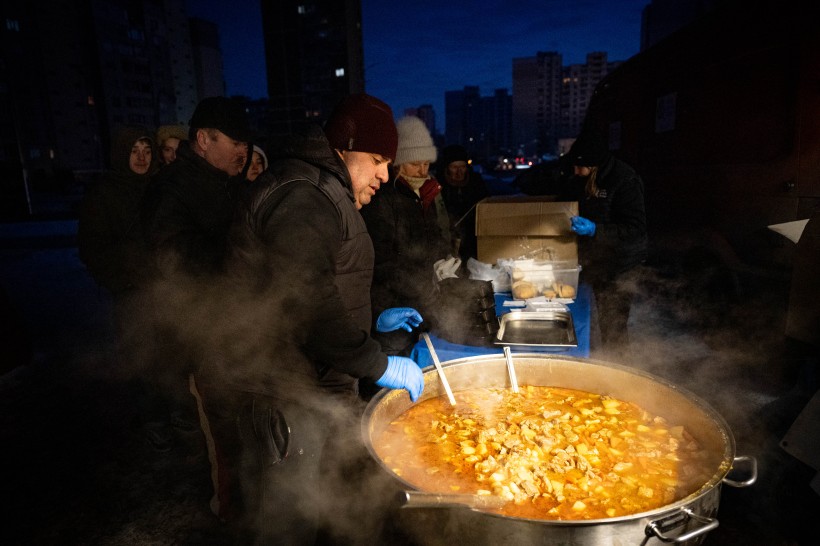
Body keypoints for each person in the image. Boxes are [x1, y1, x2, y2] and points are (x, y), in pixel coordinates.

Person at [198, 94, 425, 544]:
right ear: (345, 146)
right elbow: (304, 296)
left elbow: (328, 281)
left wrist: (372, 320)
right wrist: (377, 363)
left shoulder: (326, 190)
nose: (385, 173)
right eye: (378, 160)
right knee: (285, 523)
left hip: (309, 383)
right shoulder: (303, 194)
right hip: (282, 390)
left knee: (319, 512)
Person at [140, 98, 252, 454]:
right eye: (235, 143)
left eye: (246, 145)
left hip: (234, 322)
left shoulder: (226, 182)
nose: (244, 152)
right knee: (222, 431)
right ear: (204, 140)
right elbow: (169, 258)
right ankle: (229, 506)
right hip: (202, 329)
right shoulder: (172, 187)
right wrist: (237, 257)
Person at [77, 125, 179, 451]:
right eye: (134, 151)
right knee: (144, 359)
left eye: (147, 151)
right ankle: (154, 422)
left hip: (167, 289)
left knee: (173, 357)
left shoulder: (160, 187)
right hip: (131, 293)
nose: (141, 157)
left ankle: (176, 417)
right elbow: (92, 248)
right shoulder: (105, 193)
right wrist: (122, 280)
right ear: (122, 153)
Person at [361, 115, 451, 357]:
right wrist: (418, 283)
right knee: (395, 360)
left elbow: (433, 236)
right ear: (398, 163)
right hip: (391, 306)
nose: (422, 170)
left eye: (426, 164)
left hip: (422, 299)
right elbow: (380, 260)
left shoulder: (425, 193)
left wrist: (444, 258)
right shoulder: (382, 198)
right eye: (414, 164)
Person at [561, 131, 648, 358]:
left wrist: (595, 229)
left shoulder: (625, 180)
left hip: (621, 262)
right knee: (586, 313)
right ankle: (591, 357)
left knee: (613, 322)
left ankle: (618, 370)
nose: (575, 172)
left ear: (595, 164)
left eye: (580, 167)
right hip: (595, 259)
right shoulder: (582, 176)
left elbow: (635, 229)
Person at [437, 144, 489, 262]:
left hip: (473, 240)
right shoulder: (437, 185)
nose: (459, 172)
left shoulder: (476, 183)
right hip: (447, 242)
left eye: (463, 167)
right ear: (446, 167)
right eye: (454, 167)